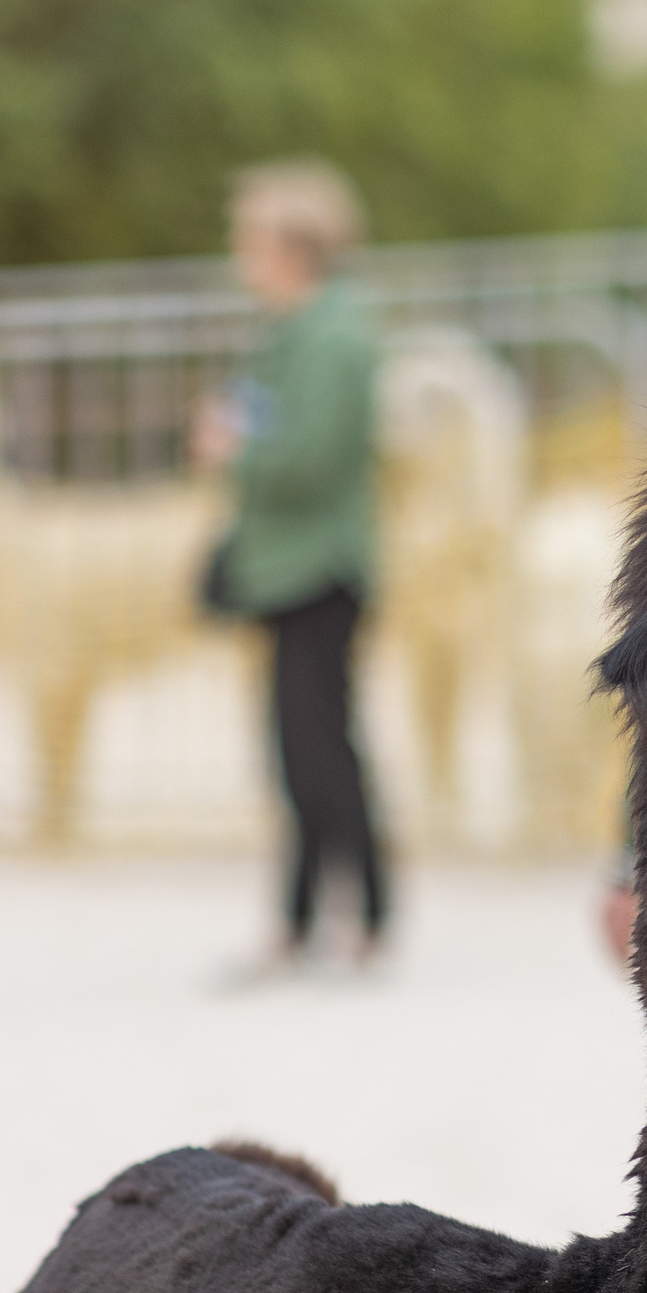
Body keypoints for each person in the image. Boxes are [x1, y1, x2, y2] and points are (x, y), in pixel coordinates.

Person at [192, 159, 390, 971]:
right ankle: (301, 920)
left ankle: (369, 917)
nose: (242, 253)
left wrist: (234, 449)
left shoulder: (335, 337)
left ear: (291, 247)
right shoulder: (288, 331)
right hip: (284, 566)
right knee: (295, 751)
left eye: (252, 237)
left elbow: (313, 457)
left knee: (321, 753)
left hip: (320, 567)